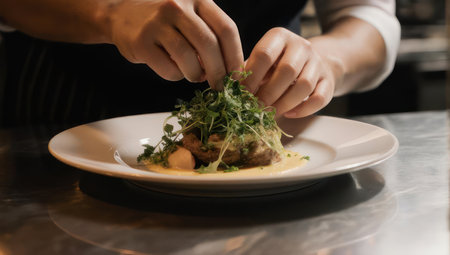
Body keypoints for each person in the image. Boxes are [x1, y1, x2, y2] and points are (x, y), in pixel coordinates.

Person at [0, 0, 400, 125]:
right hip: (68, 108)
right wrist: (109, 11)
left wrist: (326, 63)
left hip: (262, 127)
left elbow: (369, 20)